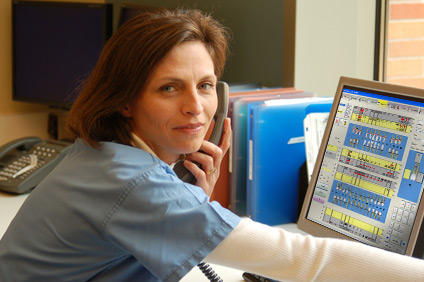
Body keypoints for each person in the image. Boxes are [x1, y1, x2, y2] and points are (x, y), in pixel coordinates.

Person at [0, 8, 423, 282]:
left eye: (205, 86)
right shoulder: (136, 184)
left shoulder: (99, 153)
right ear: (125, 101)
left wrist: (187, 200)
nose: (196, 108)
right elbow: (307, 260)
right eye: (169, 88)